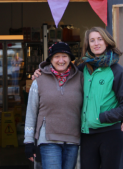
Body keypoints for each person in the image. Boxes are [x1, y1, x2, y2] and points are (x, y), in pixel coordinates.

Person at [32, 27, 123, 169]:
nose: (96, 43)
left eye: (100, 39)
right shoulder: (81, 70)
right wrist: (40, 72)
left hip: (110, 134)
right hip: (87, 136)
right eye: (92, 40)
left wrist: (103, 117)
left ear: (107, 42)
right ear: (88, 45)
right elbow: (60, 71)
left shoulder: (118, 71)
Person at [24, 41, 83, 169]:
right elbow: (31, 112)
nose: (61, 60)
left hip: (73, 139)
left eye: (65, 56)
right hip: (48, 139)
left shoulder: (81, 79)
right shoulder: (39, 80)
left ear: (70, 59)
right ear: (50, 59)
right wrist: (28, 141)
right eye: (56, 56)